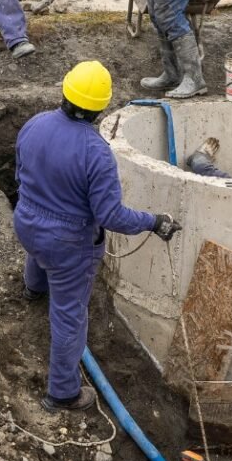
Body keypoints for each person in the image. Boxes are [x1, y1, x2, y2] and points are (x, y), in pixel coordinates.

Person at [13, 60, 182, 411]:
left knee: (40, 250)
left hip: (26, 221)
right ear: (100, 107)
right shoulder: (96, 152)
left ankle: (33, 289)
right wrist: (154, 222)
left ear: (65, 92)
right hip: (67, 245)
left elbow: (21, 174)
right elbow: (111, 216)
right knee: (69, 316)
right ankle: (62, 393)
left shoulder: (35, 124)